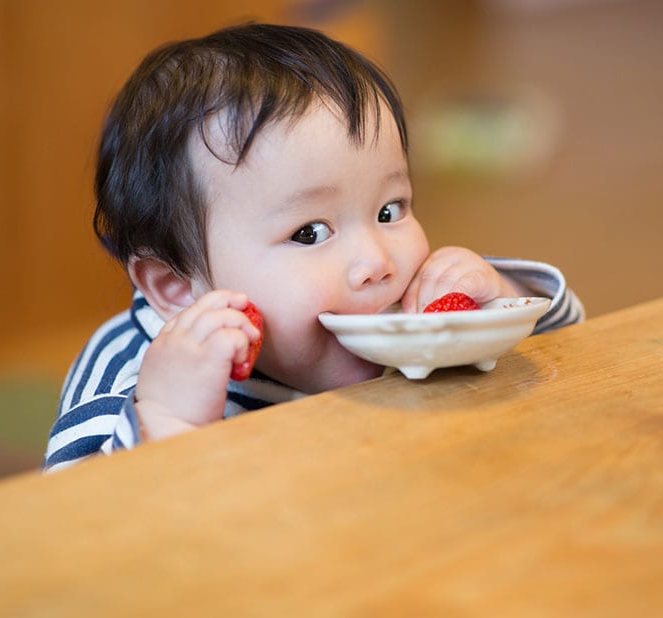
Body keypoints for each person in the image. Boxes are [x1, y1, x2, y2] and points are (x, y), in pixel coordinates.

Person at [44, 23, 584, 472]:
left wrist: (495, 300)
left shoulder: (413, 319)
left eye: (389, 210)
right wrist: (168, 421)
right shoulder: (128, 377)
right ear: (178, 288)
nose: (376, 263)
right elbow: (78, 533)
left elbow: (573, 359)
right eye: (310, 233)